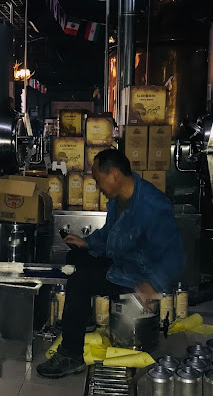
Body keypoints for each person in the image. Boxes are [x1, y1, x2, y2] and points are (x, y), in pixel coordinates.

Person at [37, 148, 185, 378]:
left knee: (80, 280)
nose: (98, 187)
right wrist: (86, 243)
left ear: (114, 175)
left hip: (136, 276)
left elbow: (175, 255)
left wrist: (152, 285)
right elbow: (109, 234)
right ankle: (82, 318)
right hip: (121, 263)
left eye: (98, 180)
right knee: (75, 257)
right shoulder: (118, 200)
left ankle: (72, 354)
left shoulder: (153, 205)